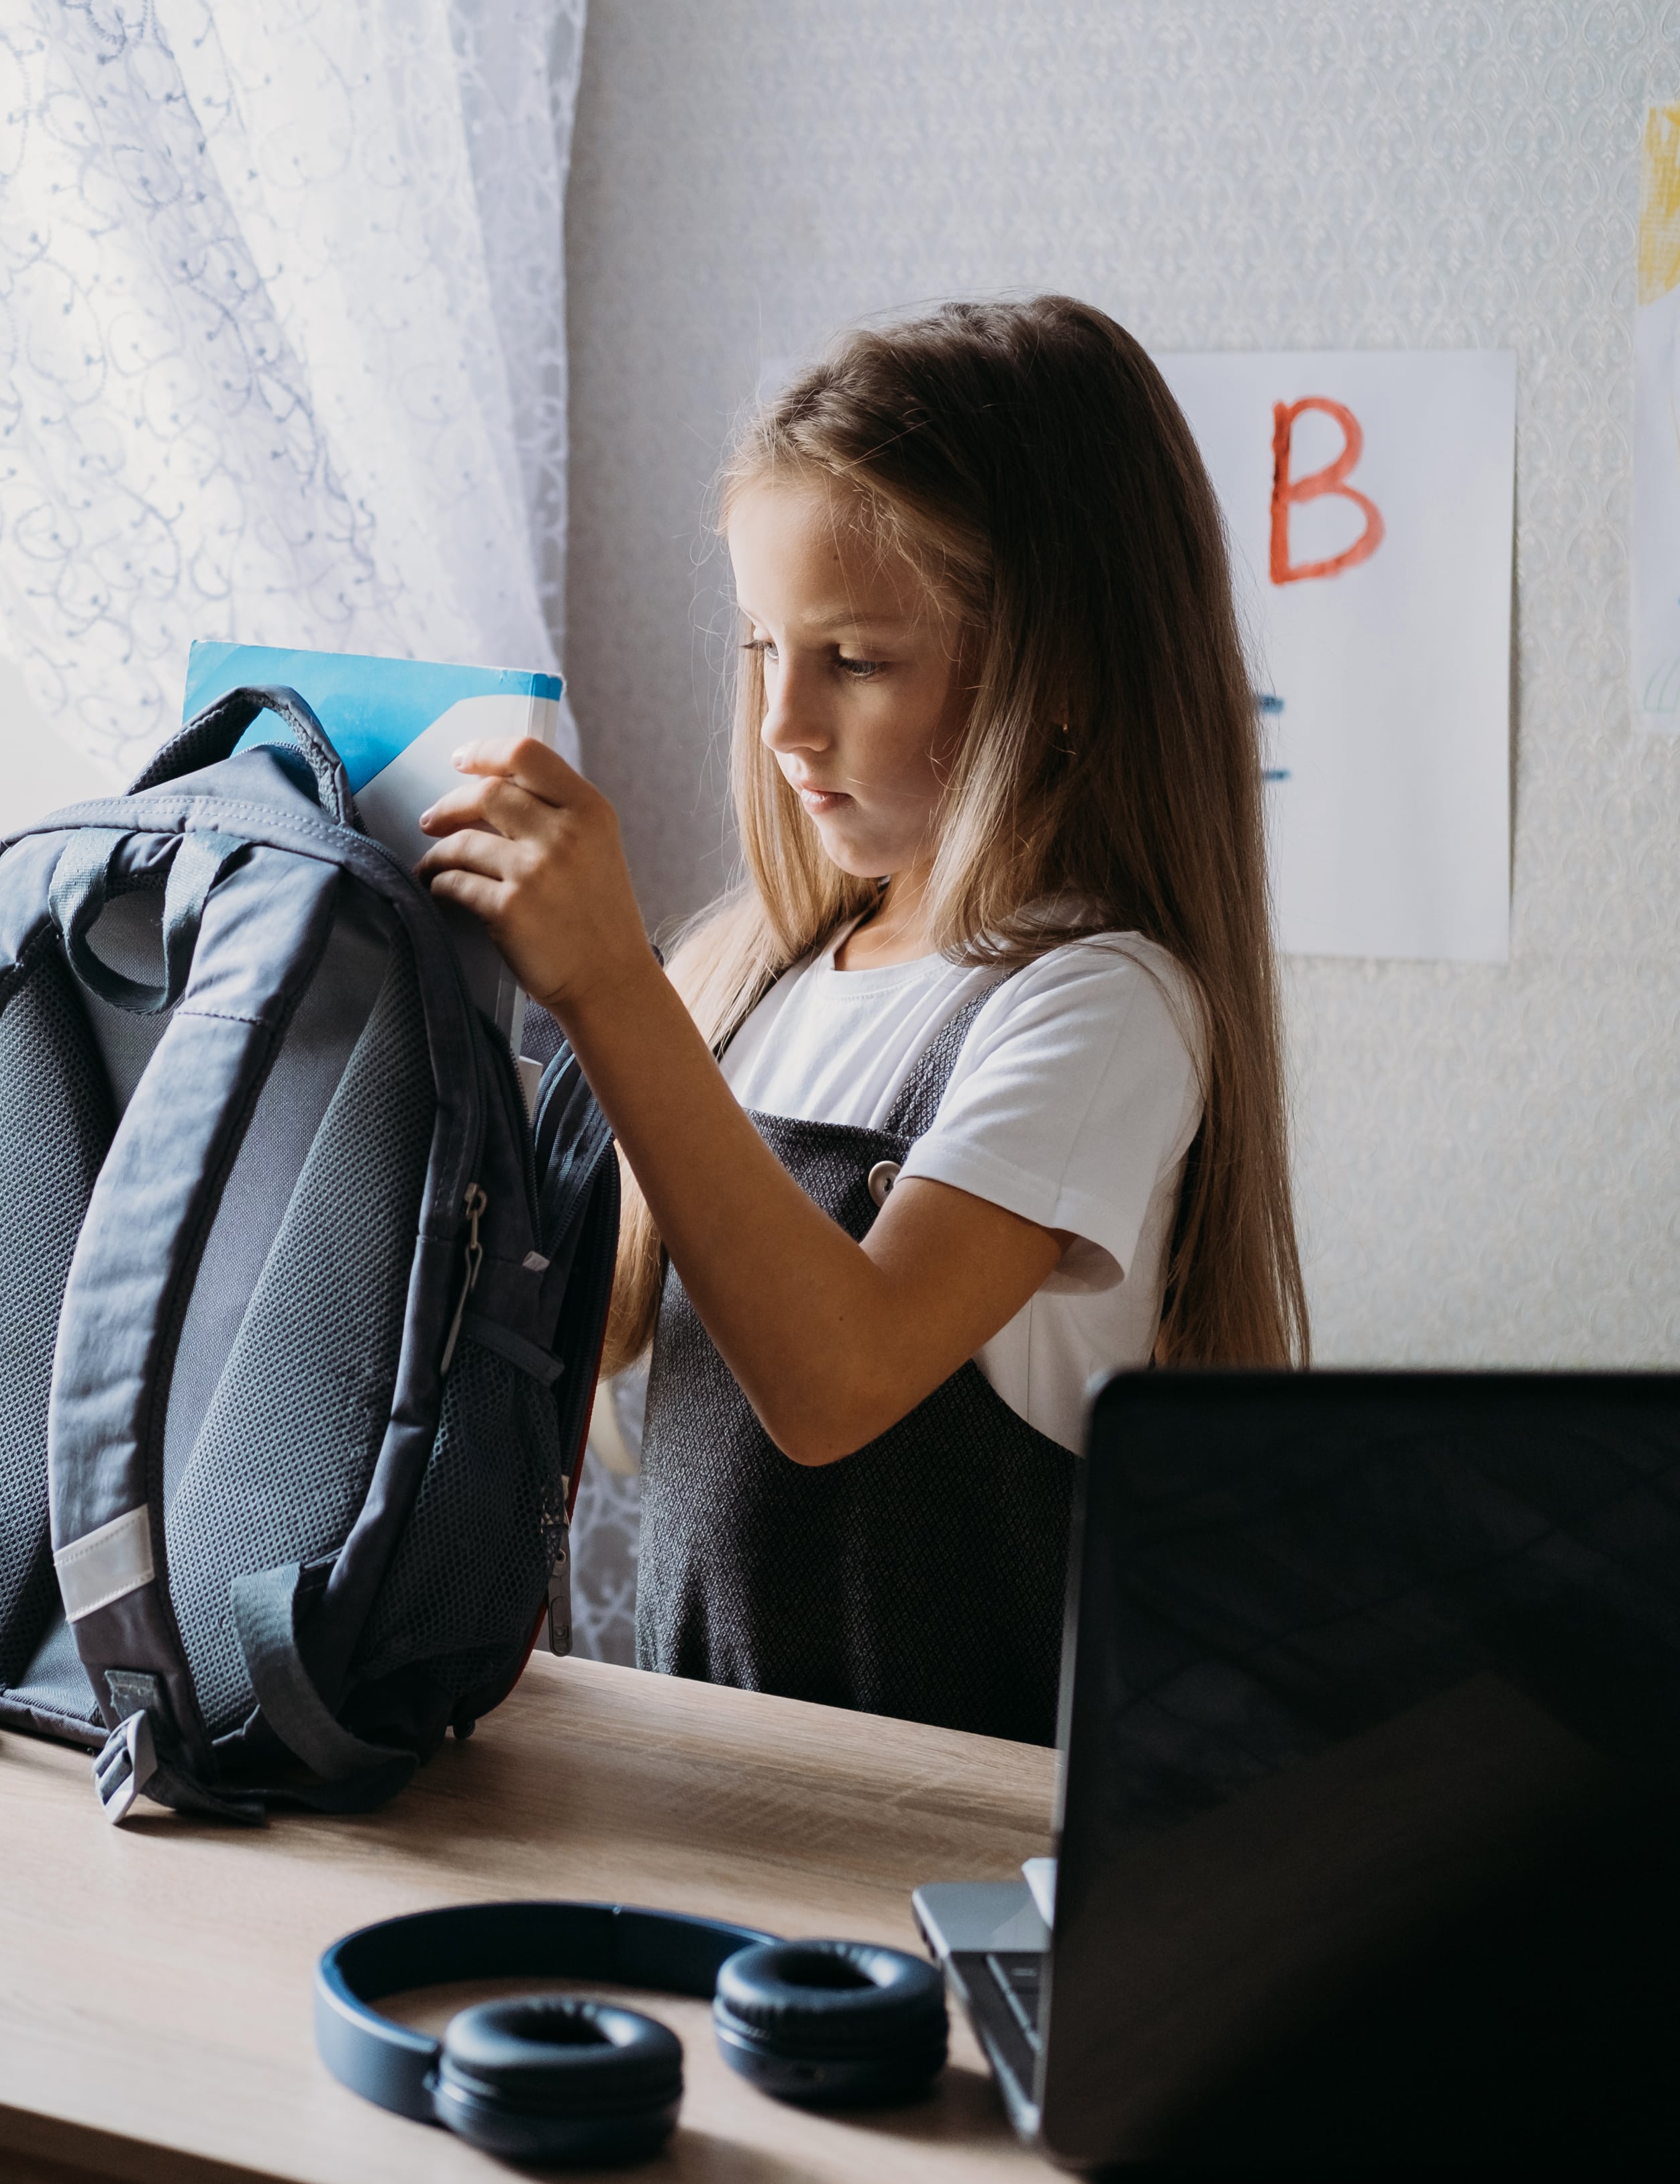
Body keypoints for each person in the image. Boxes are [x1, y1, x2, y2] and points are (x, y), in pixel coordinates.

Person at [415, 296, 1303, 1742]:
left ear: (1060, 676)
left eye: (856, 658)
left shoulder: (1100, 1007)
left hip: (943, 1840)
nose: (783, 720)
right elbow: (608, 1344)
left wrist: (610, 992)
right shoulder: (753, 973)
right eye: (764, 646)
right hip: (726, 1788)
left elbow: (831, 1382)